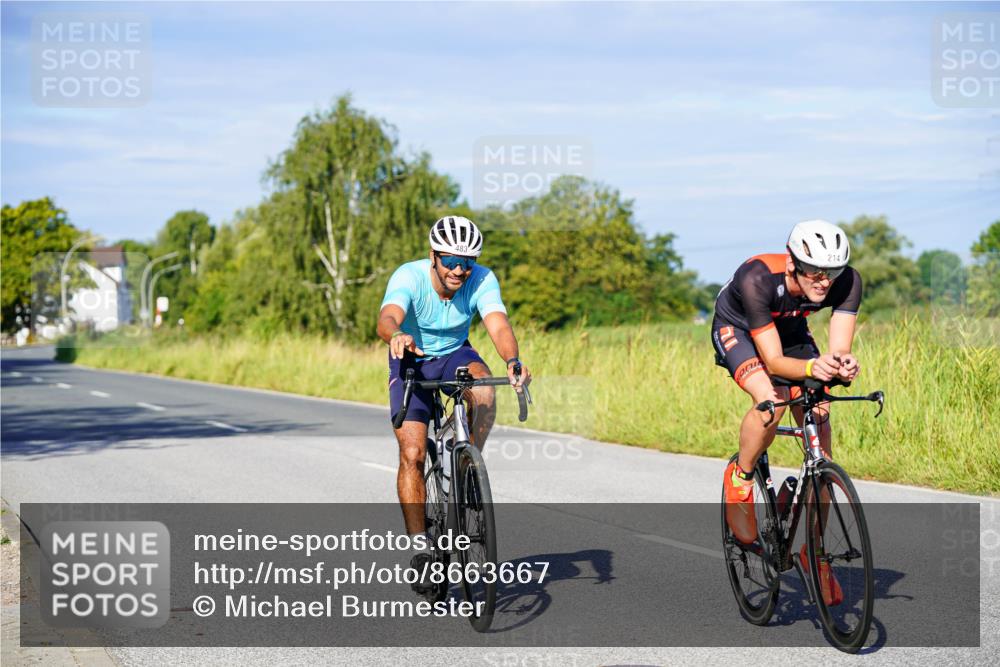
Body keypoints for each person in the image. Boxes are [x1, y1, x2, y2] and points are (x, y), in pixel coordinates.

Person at [377, 215, 531, 593]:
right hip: (411, 357)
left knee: (485, 391)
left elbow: (497, 325)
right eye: (451, 261)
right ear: (433, 256)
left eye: (468, 262)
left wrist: (512, 360)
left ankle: (466, 464)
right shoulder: (409, 277)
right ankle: (422, 551)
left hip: (455, 354)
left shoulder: (481, 279)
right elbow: (387, 317)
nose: (459, 270)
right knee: (412, 452)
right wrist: (396, 334)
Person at [712, 219, 862, 606]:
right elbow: (775, 363)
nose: (824, 281)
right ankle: (741, 479)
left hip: (791, 331)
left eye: (832, 271)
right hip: (741, 330)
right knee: (771, 401)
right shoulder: (758, 278)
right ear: (792, 262)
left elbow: (838, 348)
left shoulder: (847, 282)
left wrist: (842, 365)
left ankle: (815, 553)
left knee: (821, 416)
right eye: (815, 271)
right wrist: (813, 369)